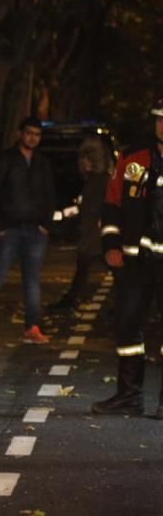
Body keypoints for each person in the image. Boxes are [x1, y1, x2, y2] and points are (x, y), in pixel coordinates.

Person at [91, 99, 163, 417]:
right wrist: (111, 244)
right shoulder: (133, 160)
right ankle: (129, 396)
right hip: (135, 263)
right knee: (127, 326)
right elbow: (111, 205)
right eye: (160, 119)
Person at [0, 116, 56, 344]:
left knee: (32, 279)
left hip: (35, 230)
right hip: (9, 228)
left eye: (37, 134)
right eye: (29, 133)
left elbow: (50, 194)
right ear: (20, 133)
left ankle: (32, 325)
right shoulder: (5, 160)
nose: (32, 138)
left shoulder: (42, 163)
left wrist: (45, 224)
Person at [51, 137, 113, 309]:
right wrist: (63, 214)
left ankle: (72, 299)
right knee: (85, 266)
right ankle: (72, 299)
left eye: (88, 159)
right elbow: (83, 205)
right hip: (90, 230)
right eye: (83, 159)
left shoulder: (101, 181)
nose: (84, 163)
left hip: (96, 231)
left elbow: (103, 205)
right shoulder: (94, 180)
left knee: (89, 264)